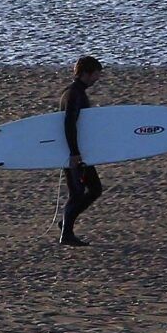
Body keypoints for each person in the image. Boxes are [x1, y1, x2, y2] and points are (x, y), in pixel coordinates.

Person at [59, 56, 105, 247]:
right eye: (96, 74)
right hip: (74, 153)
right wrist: (74, 153)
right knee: (79, 193)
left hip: (80, 151)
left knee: (93, 189)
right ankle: (66, 233)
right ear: (87, 73)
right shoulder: (74, 94)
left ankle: (66, 224)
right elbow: (69, 124)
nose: (97, 79)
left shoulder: (74, 91)